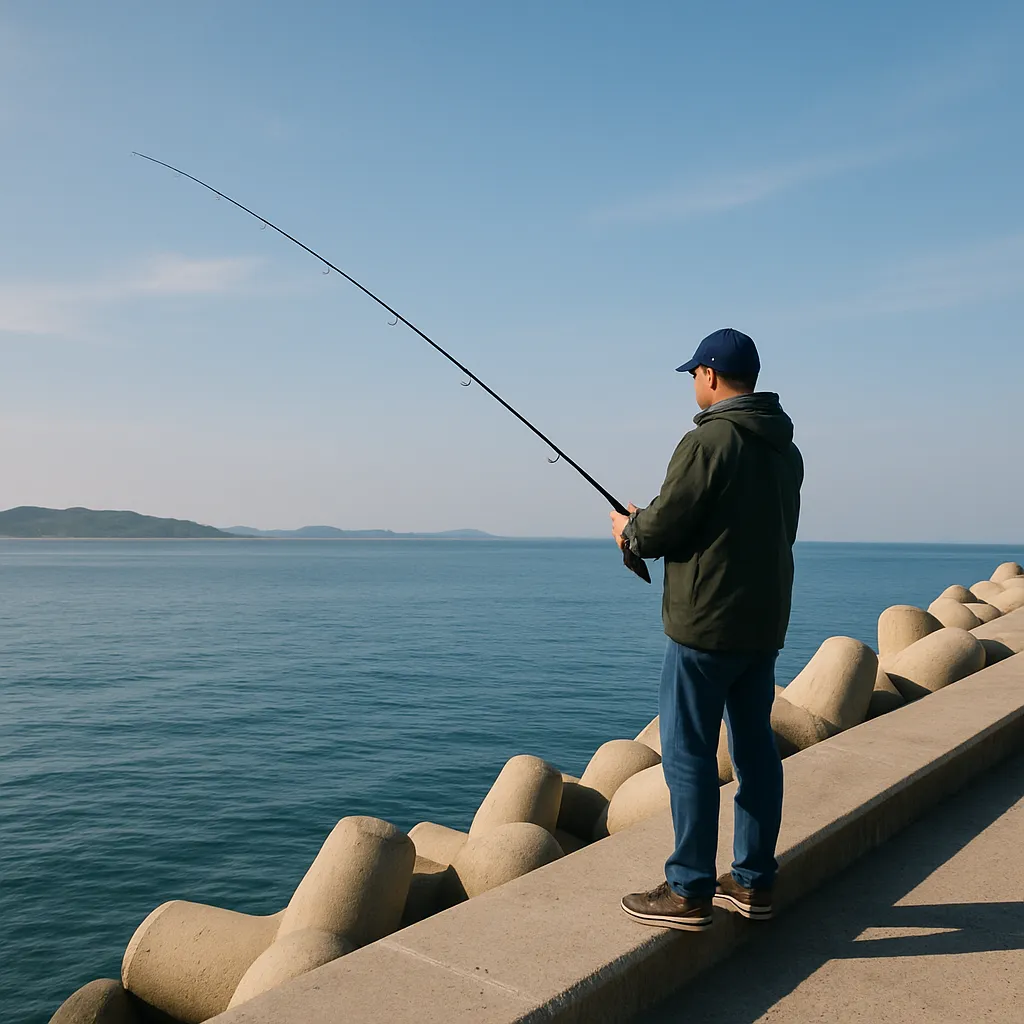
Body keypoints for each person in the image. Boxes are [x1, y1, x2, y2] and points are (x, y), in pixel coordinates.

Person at [609, 327, 803, 932]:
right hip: (761, 624)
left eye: (695, 373)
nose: (694, 383)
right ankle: (752, 880)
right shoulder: (785, 449)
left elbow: (663, 529)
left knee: (688, 755)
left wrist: (629, 530)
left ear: (711, 376)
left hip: (704, 630)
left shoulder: (707, 442)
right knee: (755, 752)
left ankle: (689, 889)